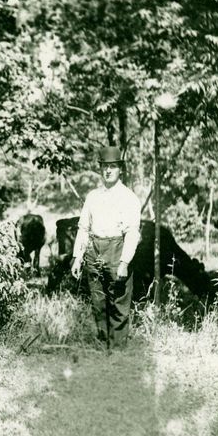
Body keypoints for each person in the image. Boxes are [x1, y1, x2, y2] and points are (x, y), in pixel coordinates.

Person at [70, 146, 141, 348]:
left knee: (119, 302)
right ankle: (103, 348)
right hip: (94, 251)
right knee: (98, 302)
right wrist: (78, 256)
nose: (108, 171)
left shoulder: (129, 198)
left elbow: (133, 233)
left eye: (113, 166)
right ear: (100, 169)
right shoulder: (93, 196)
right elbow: (84, 228)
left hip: (117, 248)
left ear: (120, 169)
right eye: (104, 167)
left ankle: (117, 352)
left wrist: (124, 262)